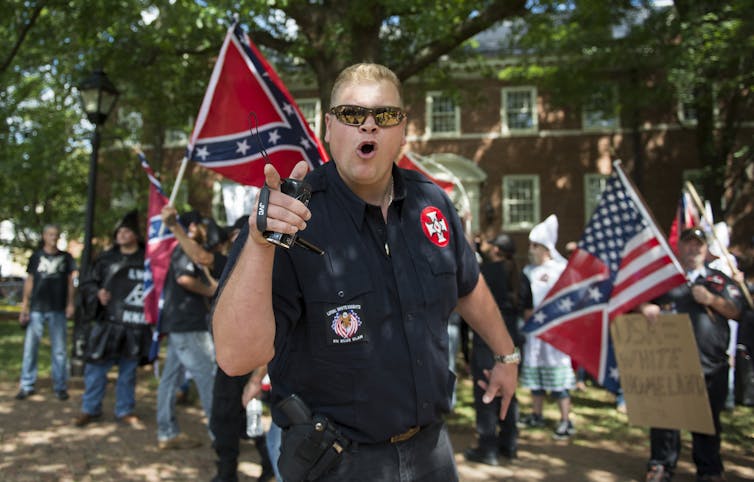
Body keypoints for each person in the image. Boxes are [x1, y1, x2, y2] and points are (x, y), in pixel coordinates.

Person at [212, 62, 519, 481]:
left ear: (403, 129)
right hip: (337, 461)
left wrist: (506, 355)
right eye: (353, 115)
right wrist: (260, 243)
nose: (369, 126)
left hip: (431, 452)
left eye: (385, 116)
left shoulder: (434, 203)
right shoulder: (291, 217)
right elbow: (235, 357)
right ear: (329, 127)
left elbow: (467, 283)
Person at [640, 227, 743, 482]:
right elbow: (638, 301)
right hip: (671, 364)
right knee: (665, 418)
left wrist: (711, 300)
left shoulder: (719, 281)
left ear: (706, 249)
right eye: (688, 243)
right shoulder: (667, 281)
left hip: (711, 365)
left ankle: (708, 469)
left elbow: (737, 311)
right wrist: (646, 307)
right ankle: (661, 465)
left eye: (699, 244)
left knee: (707, 421)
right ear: (680, 247)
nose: (693, 248)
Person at [74, 211, 151, 427]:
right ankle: (90, 408)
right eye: (119, 231)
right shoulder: (106, 259)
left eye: (126, 231)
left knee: (128, 371)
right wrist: (97, 294)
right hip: (107, 323)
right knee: (96, 368)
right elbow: (88, 283)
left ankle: (124, 409)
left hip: (135, 326)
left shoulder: (148, 260)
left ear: (135, 235)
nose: (121, 234)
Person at [465, 233, 532, 466]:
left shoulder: (486, 273)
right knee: (508, 392)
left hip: (487, 342)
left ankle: (488, 447)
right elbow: (528, 314)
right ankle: (509, 444)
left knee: (486, 392)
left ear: (495, 250)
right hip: (513, 342)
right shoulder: (521, 276)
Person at [155, 210, 218, 450]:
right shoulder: (185, 250)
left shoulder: (186, 250)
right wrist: (213, 291)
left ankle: (167, 431)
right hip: (188, 324)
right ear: (193, 226)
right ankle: (218, 434)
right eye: (203, 225)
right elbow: (184, 279)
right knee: (207, 376)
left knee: (170, 379)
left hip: (181, 323)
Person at [518, 214, 577, 440]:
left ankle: (565, 419)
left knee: (559, 379)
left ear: (545, 248)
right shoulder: (528, 272)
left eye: (535, 245)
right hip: (535, 333)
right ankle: (537, 413)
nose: (531, 249)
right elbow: (524, 301)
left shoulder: (561, 270)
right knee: (537, 376)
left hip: (556, 333)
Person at [17, 224, 76, 401]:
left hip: (58, 308)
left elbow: (70, 282)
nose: (53, 237)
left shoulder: (66, 258)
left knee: (59, 349)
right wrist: (24, 307)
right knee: (30, 348)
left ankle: (60, 386)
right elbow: (30, 280)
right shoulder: (36, 256)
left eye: (56, 235)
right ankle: (27, 385)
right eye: (50, 234)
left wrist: (71, 304)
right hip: (36, 309)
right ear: (44, 236)